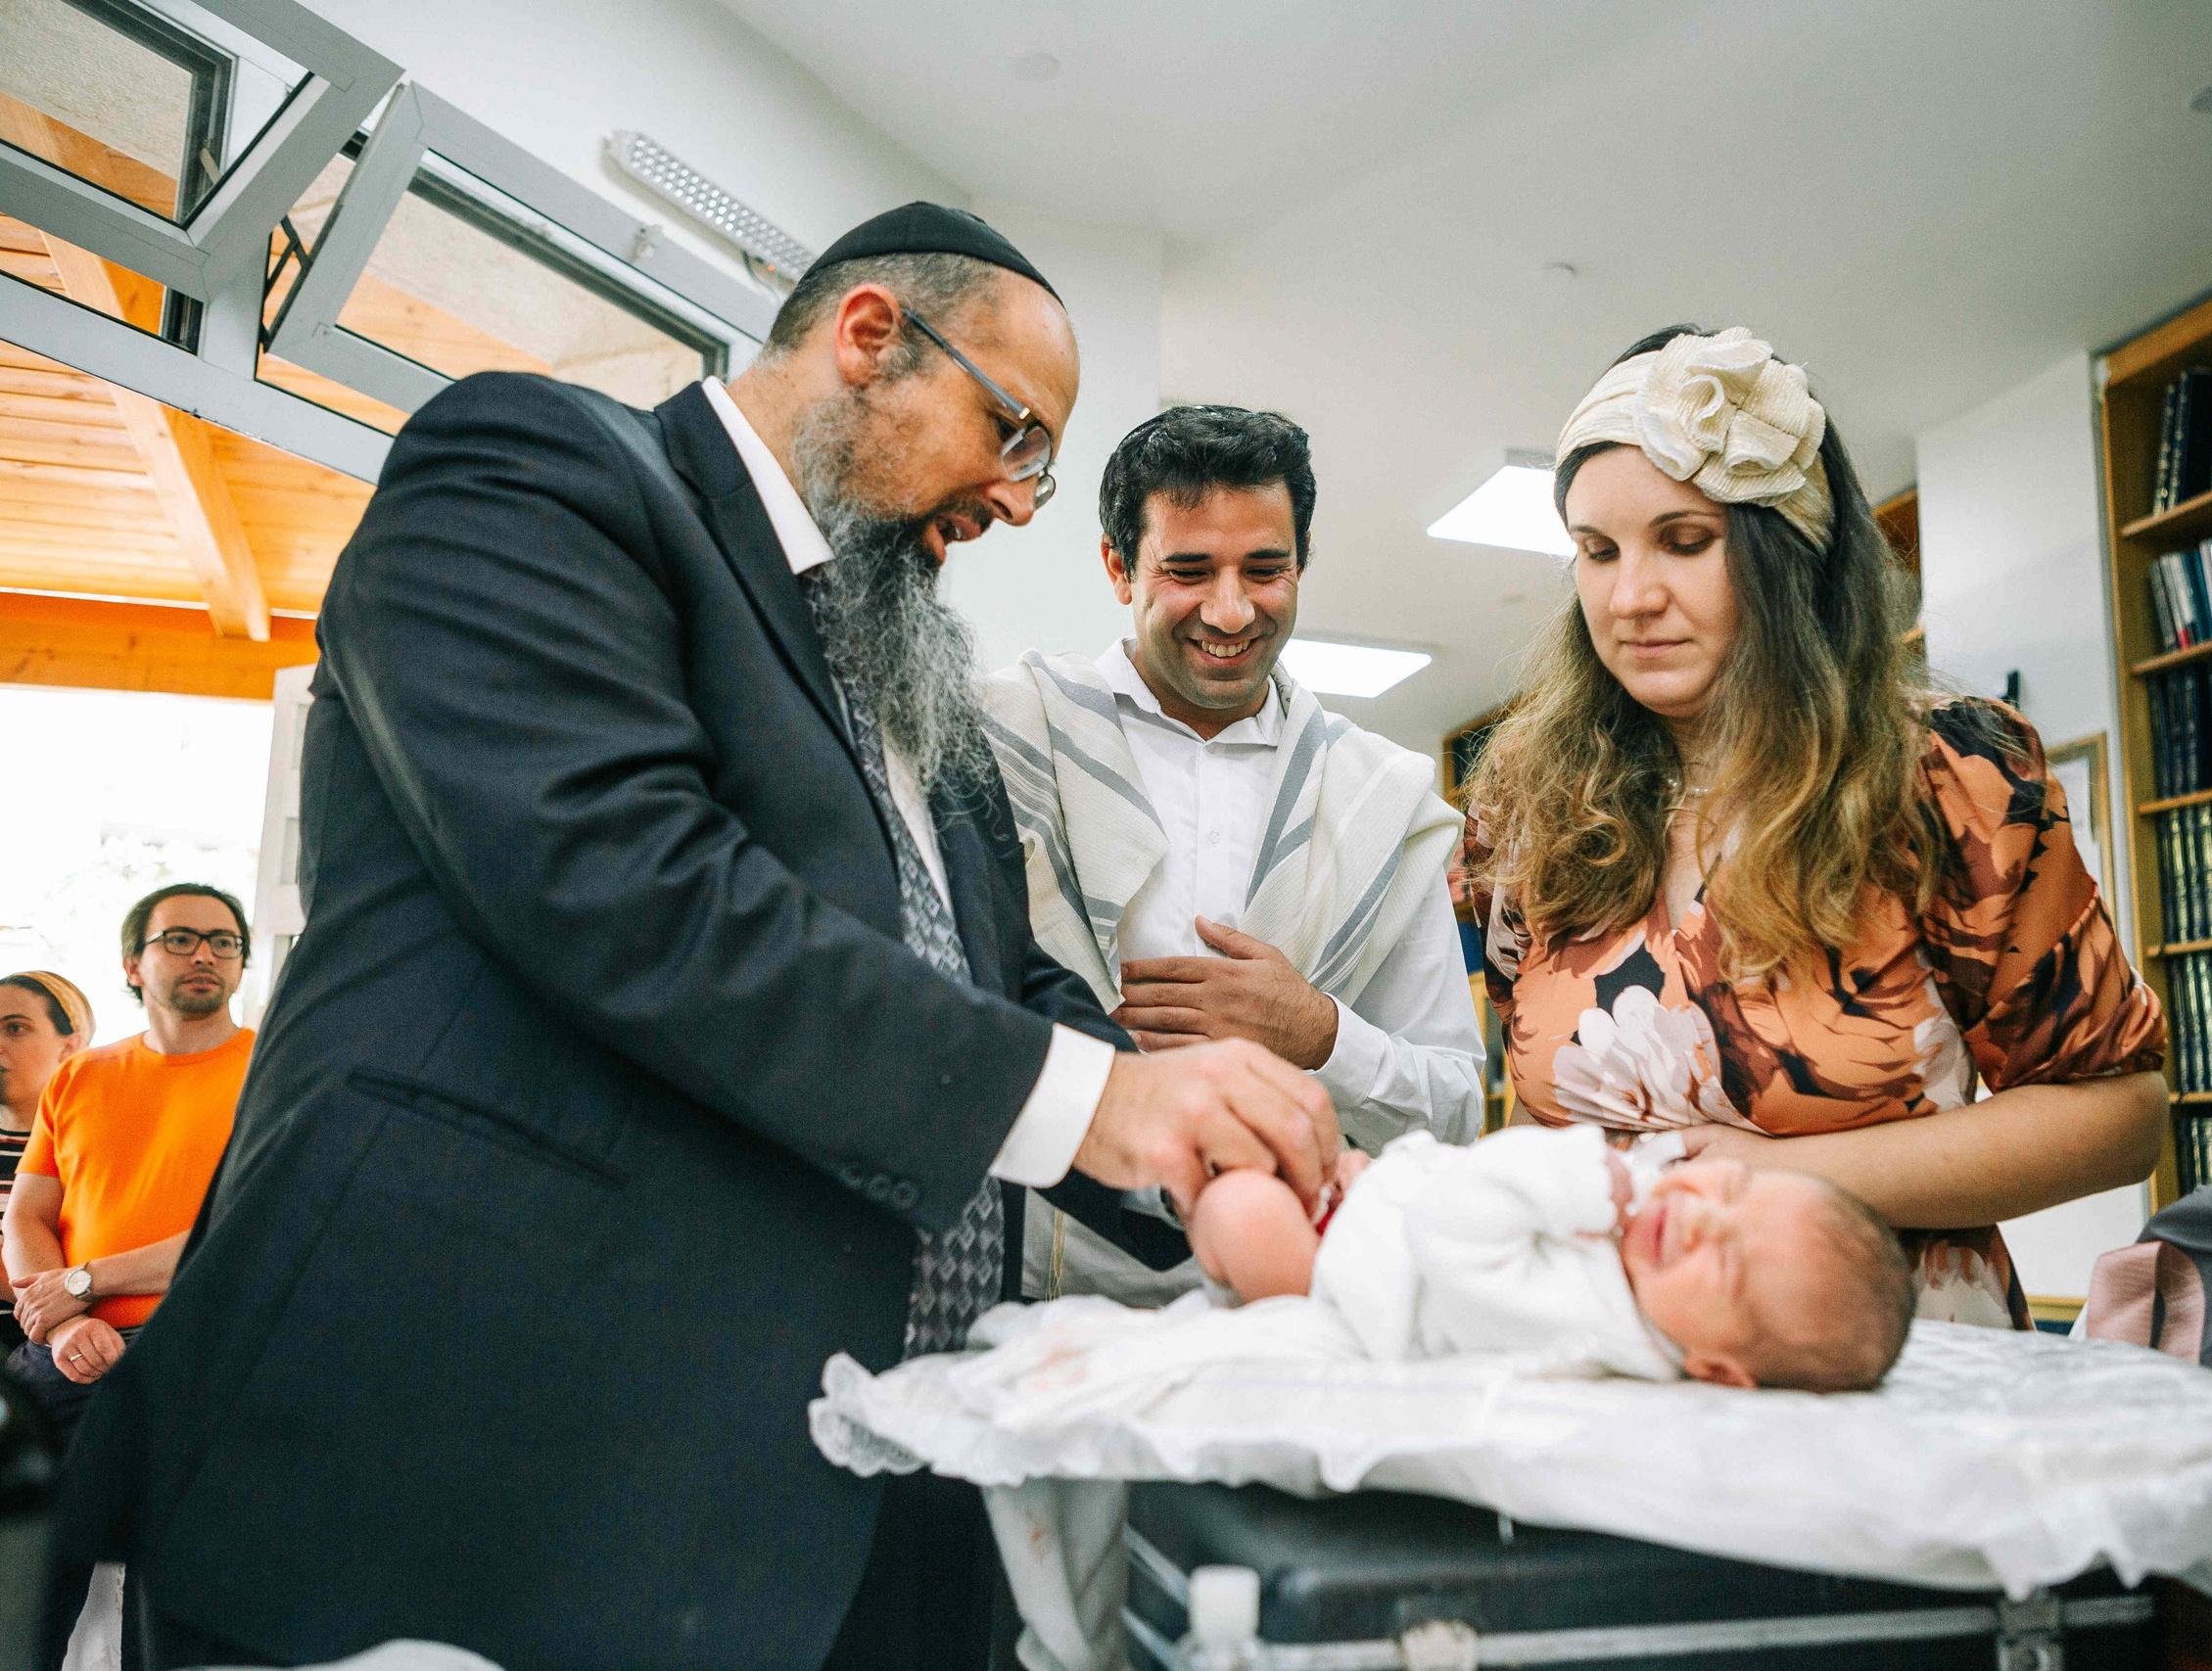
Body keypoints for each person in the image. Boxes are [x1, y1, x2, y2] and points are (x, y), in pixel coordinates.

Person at [58, 204, 1339, 1671]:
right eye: (1013, 431)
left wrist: (1228, 1153)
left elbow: (1009, 985)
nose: (1018, 497)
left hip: (858, 1493)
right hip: (483, 1466)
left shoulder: (911, 676)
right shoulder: (540, 472)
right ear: (870, 337)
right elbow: (627, 882)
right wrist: (1100, 1101)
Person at [1465, 325, 2168, 1329]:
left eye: (1685, 541)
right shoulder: (1525, 803)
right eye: (1597, 551)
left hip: (1881, 1349)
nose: (1630, 597)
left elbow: (2119, 1117)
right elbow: (1535, 1105)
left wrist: (1790, 1174)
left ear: (1786, 549)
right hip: (1608, 1350)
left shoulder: (1946, 774)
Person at [983, 405, 1480, 1304]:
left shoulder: (1379, 799)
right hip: (1026, 1304)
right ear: (1116, 565)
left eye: (1264, 568)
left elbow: (1455, 1110)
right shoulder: (1002, 738)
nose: (1231, 610)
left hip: (1296, 1317)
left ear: (1301, 562)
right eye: (1188, 571)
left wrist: (1321, 1034)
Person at [1187, 1125, 1914, 1393]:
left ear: (1716, 1367)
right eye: (1730, 1188)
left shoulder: (1587, 1322)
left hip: (1350, 1278)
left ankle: (1200, 1222)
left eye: (1723, 1263)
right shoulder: (1648, 1252)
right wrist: (1384, 1174)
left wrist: (1574, 1176)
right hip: (1380, 1205)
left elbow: (1455, 1234)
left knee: (1241, 1209)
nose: (1700, 1218)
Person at [5, 890, 250, 1671]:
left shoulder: (274, 1074)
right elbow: (26, 1216)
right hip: (67, 1359)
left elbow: (239, 1229)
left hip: (207, 1359)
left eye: (224, 940)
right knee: (20, 1595)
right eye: (179, 938)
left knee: (171, 1612)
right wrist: (67, 1322)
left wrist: (84, 1283)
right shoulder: (79, 1076)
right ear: (132, 963)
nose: (204, 953)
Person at [0, 971, 93, 1353]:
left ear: (69, 1046)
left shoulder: (92, 1147)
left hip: (59, 1351)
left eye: (15, 1029)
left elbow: (97, 1264)